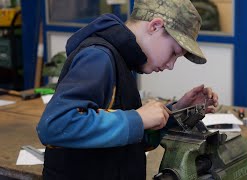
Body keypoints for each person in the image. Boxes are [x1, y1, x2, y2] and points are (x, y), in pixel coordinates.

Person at [37, 0, 219, 179]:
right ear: (155, 26)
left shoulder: (123, 61)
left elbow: (128, 140)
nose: (171, 65)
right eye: (173, 52)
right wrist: (138, 119)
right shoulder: (98, 57)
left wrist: (177, 112)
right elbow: (54, 126)